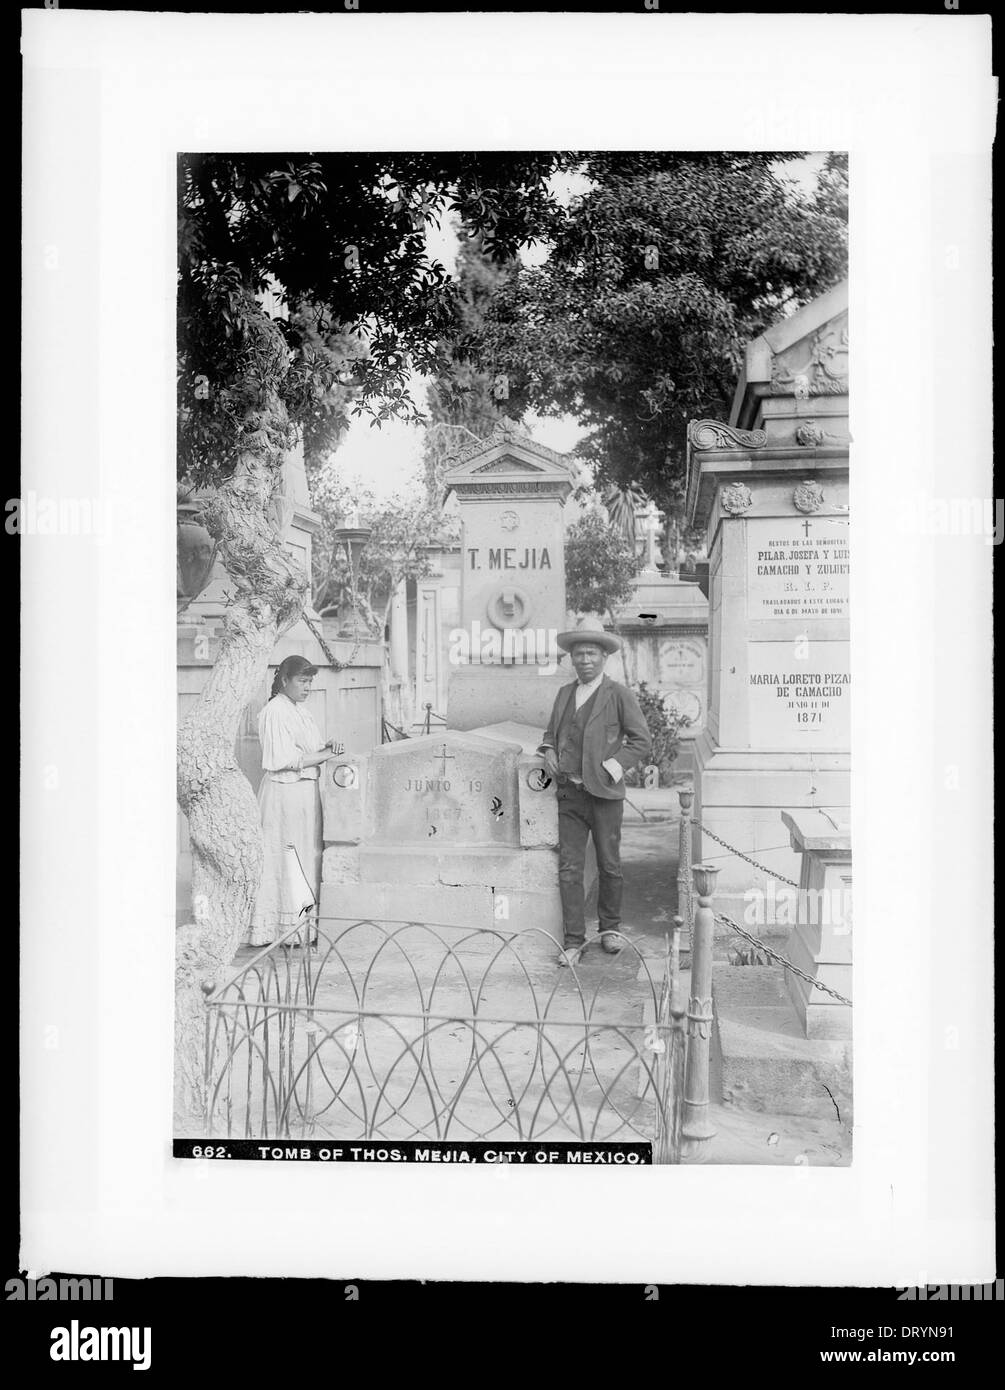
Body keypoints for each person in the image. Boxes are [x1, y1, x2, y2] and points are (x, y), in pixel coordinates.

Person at [538, 624, 651, 966]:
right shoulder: (563, 694)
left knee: (609, 864)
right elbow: (551, 732)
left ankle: (610, 929)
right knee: (570, 868)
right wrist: (548, 749)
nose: (584, 660)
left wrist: (612, 767)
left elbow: (641, 741)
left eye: (591, 654)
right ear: (571, 658)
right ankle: (573, 941)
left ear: (604, 657)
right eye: (578, 654)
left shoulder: (618, 694)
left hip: (604, 795)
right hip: (569, 795)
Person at [247, 655, 344, 947]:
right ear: (285, 680)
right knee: (288, 858)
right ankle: (282, 928)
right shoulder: (275, 711)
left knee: (303, 855)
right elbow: (283, 760)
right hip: (285, 795)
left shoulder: (299, 710)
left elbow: (307, 749)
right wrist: (326, 755)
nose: (307, 687)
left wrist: (327, 747)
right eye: (302, 681)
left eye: (310, 681)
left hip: (303, 793)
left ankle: (303, 926)